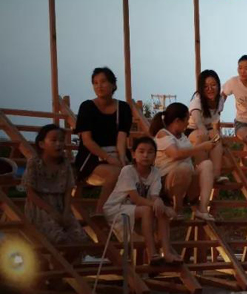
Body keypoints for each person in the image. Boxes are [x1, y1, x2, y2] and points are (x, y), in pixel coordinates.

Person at [103, 136, 180, 265]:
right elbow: (136, 198)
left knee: (160, 211)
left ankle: (167, 253)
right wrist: (160, 205)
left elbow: (154, 195)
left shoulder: (155, 173)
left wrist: (159, 203)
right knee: (148, 210)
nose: (145, 155)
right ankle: (152, 254)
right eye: (141, 151)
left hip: (137, 209)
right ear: (134, 154)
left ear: (155, 156)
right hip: (117, 208)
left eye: (150, 152)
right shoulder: (128, 171)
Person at [73, 67, 133, 215]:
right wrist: (108, 158)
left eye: (103, 82)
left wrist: (122, 158)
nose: (99, 86)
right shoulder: (87, 107)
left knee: (131, 170)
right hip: (92, 157)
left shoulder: (123, 108)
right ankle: (100, 212)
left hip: (116, 152)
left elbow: (121, 138)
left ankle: (129, 212)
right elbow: (87, 141)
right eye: (95, 83)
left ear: (113, 84)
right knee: (116, 172)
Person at [150, 103, 217, 221]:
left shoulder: (182, 136)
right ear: (177, 120)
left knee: (207, 165)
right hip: (167, 182)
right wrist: (201, 147)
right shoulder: (163, 134)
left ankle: (202, 209)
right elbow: (175, 154)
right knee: (183, 169)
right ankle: (177, 208)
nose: (188, 123)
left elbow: (189, 153)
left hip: (187, 180)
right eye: (186, 119)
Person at [23, 125, 88, 246]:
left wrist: (66, 211)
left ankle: (67, 258)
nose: (58, 144)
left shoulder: (65, 164)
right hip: (40, 208)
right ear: (42, 144)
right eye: (53, 140)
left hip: (61, 206)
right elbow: (30, 192)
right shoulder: (34, 163)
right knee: (59, 238)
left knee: (80, 240)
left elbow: (68, 190)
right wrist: (50, 211)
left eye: (61, 140)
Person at [187, 69, 227, 183]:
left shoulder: (220, 100)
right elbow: (198, 122)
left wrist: (218, 134)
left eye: (213, 85)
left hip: (207, 129)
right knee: (202, 136)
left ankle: (216, 175)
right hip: (191, 130)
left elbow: (215, 121)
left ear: (218, 85)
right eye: (206, 86)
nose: (210, 89)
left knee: (216, 137)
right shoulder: (197, 101)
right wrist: (205, 132)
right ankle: (202, 173)